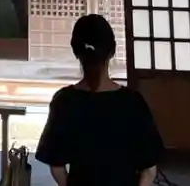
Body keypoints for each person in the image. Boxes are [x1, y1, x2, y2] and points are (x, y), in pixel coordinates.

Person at [35, 16, 165, 186]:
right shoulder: (133, 102)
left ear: (76, 51)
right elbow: (149, 170)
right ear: (112, 50)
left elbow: (57, 166)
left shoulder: (64, 101)